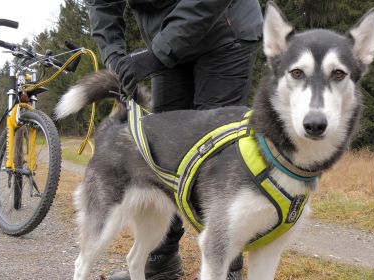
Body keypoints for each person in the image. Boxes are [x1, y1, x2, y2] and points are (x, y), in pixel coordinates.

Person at [86, 0, 263, 279]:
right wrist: (115, 56)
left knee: (218, 155)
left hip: (224, 28)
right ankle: (160, 259)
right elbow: (103, 5)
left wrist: (155, 54)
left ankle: (227, 267)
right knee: (164, 150)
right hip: (168, 40)